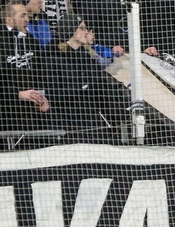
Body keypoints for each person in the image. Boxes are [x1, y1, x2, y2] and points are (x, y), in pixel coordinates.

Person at [43, 14, 129, 143]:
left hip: (90, 118)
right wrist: (82, 88)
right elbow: (53, 93)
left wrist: (125, 95)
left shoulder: (85, 56)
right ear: (71, 32)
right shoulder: (54, 58)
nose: (86, 32)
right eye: (82, 28)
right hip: (70, 121)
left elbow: (100, 84)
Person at [1, 1, 50, 130]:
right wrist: (19, 94)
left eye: (27, 16)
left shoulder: (30, 40)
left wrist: (43, 97)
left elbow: (40, 72)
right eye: (22, 16)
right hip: (8, 112)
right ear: (9, 20)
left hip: (33, 111)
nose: (27, 19)